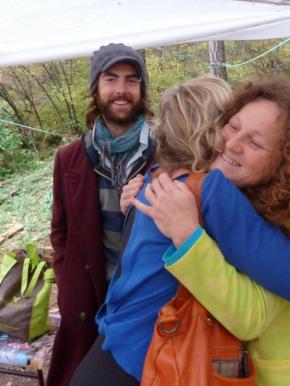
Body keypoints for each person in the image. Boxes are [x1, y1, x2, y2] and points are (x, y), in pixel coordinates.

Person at [70, 74, 290, 386]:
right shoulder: (207, 190)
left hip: (113, 349)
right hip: (141, 361)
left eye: (255, 141)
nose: (232, 144)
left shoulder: (162, 176)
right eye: (232, 126)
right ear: (212, 127)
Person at [48, 43, 154, 386]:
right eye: (111, 79)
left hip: (145, 304)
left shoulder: (165, 154)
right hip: (88, 300)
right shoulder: (70, 159)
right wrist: (67, 286)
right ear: (96, 88)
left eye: (131, 80)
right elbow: (60, 232)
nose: (121, 90)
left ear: (141, 89)